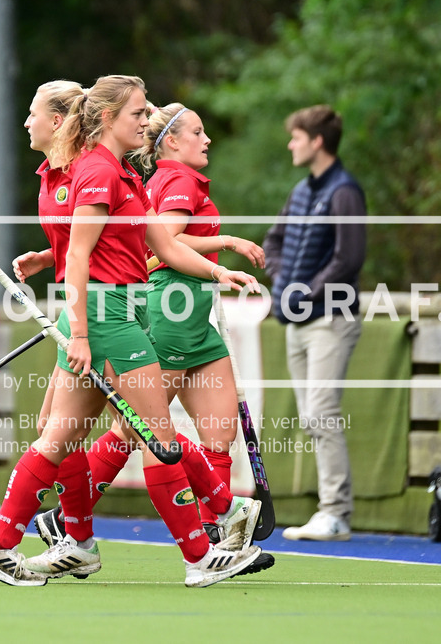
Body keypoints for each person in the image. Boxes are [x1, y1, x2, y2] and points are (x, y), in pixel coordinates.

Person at [0, 75, 264, 588]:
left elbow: (164, 247)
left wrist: (220, 270)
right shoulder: (100, 172)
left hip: (110, 313)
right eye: (138, 113)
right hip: (109, 317)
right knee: (157, 437)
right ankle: (200, 555)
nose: (146, 122)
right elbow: (79, 256)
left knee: (59, 437)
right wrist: (80, 332)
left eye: (147, 112)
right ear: (107, 118)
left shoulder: (114, 170)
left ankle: (7, 546)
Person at [32, 102, 270, 550]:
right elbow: (167, 239)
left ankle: (219, 531)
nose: (207, 140)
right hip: (171, 312)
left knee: (218, 431)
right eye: (198, 132)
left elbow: (122, 235)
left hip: (196, 319)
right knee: (139, 427)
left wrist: (219, 271)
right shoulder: (176, 177)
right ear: (173, 142)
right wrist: (228, 243)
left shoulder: (146, 179)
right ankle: (67, 522)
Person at [262, 104, 366, 542]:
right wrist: (285, 282)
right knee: (311, 417)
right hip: (298, 323)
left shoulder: (344, 191)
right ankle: (331, 510)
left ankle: (335, 512)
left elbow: (349, 257)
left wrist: (304, 290)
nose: (291, 144)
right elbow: (274, 242)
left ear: (317, 141)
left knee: (321, 414)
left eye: (297, 137)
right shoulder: (301, 191)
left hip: (332, 320)